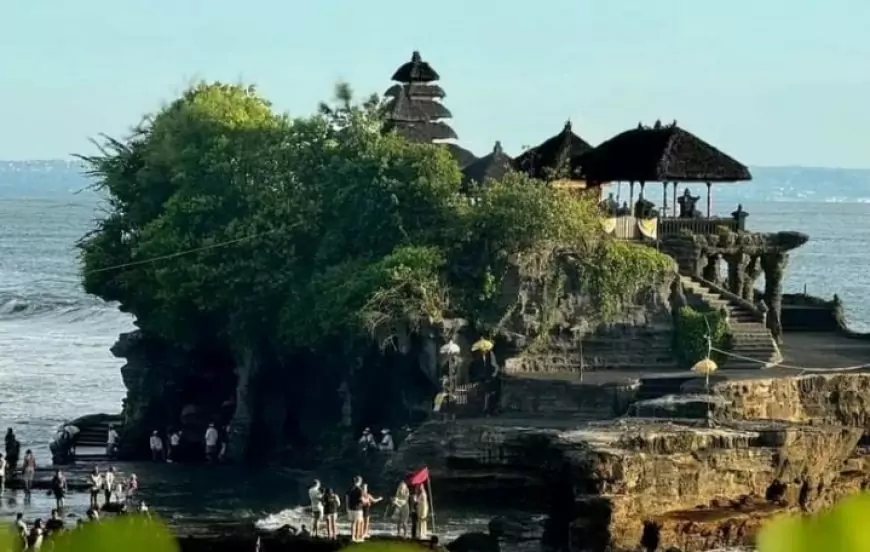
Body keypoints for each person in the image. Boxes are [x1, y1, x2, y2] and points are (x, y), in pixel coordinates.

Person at [346, 476, 365, 542]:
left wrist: (347, 507)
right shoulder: (360, 489)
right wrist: (366, 501)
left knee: (353, 523)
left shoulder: (350, 488)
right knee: (358, 523)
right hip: (358, 508)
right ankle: (357, 538)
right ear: (360, 481)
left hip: (350, 508)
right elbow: (361, 500)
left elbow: (347, 498)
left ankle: (352, 537)